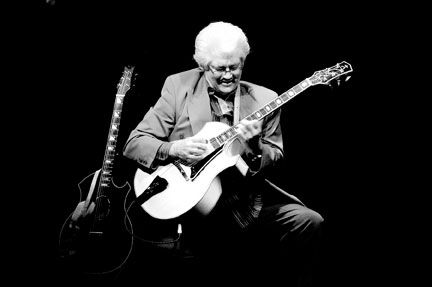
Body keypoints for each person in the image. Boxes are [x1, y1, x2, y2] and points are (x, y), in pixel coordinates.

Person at [121, 21, 324, 286]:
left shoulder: (265, 99)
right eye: (220, 69)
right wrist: (172, 148)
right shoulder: (178, 86)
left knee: (309, 221)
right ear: (203, 65)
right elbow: (134, 143)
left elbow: (276, 157)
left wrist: (253, 146)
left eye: (235, 67)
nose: (228, 75)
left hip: (244, 206)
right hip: (190, 209)